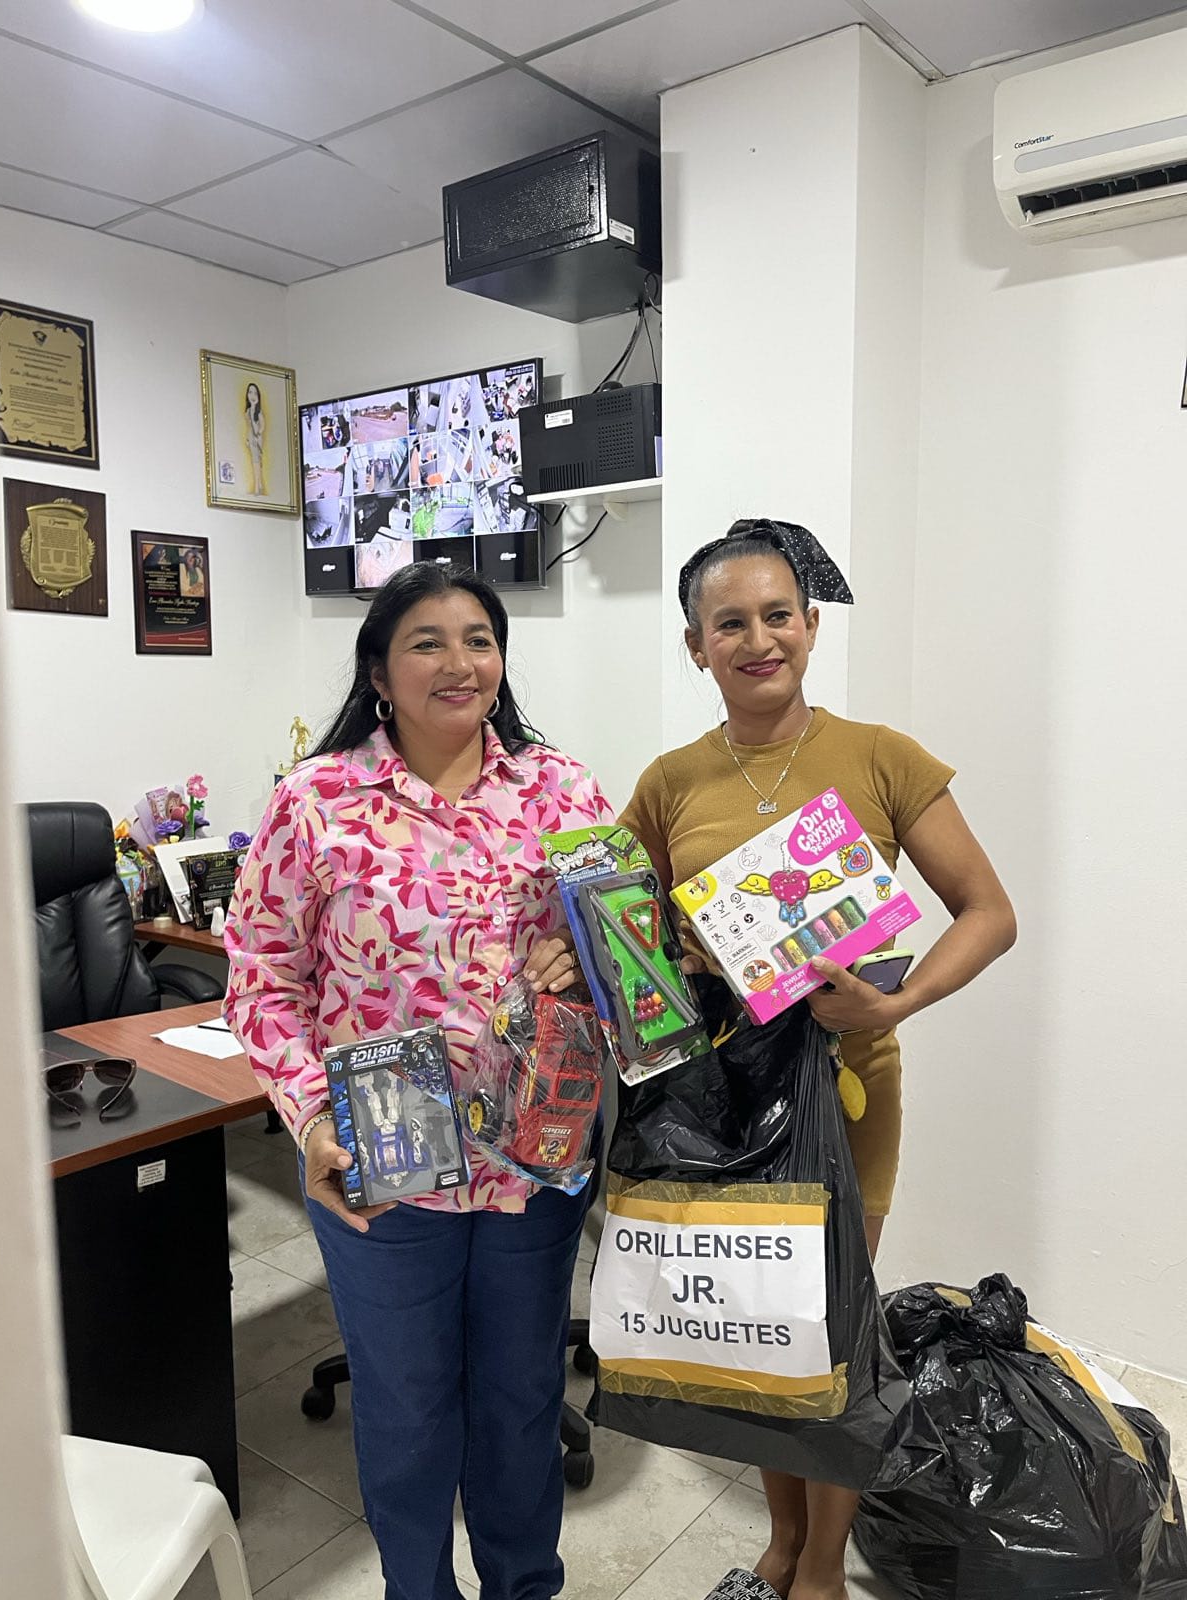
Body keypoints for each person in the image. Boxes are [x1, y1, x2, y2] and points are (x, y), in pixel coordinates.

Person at [620, 518, 1016, 1600]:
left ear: (811, 625)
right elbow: (625, 929)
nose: (759, 640)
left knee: (830, 1330)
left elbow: (988, 911)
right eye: (729, 623)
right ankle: (783, 1542)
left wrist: (895, 999)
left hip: (846, 1090)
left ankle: (824, 1569)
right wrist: (656, 958)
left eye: (778, 615)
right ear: (696, 645)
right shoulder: (669, 781)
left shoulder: (882, 756)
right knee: (761, 1332)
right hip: (726, 1097)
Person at [223, 561, 611, 1600]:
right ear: (379, 672)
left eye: (479, 639)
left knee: (522, 1399)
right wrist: (311, 1118)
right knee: (405, 1408)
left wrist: (589, 956)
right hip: (383, 1149)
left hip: (533, 1152)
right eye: (427, 641)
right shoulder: (316, 800)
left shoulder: (562, 788)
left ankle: (524, 1586)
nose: (459, 662)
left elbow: (631, 948)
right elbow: (261, 979)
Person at [244, 381, 266, 496]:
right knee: (255, 461)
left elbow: (261, 426)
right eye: (250, 392)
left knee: (257, 461)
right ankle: (259, 484)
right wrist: (248, 439)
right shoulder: (248, 411)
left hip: (257, 438)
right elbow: (249, 426)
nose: (252, 395)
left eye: (255, 393)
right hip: (251, 438)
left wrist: (258, 435)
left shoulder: (258, 412)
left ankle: (258, 486)